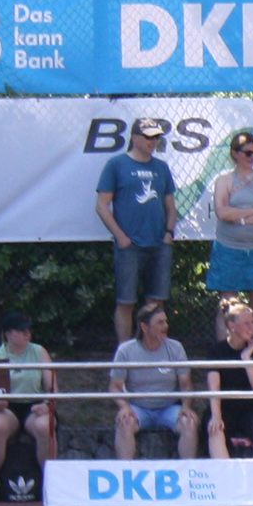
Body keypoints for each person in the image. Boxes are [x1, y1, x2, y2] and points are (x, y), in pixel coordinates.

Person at [96, 116, 180, 349]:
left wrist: (168, 233)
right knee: (126, 302)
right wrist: (121, 237)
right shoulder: (116, 164)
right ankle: (126, 353)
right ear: (134, 138)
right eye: (148, 136)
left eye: (156, 137)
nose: (153, 141)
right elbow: (102, 206)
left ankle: (154, 348)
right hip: (129, 246)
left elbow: (171, 206)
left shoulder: (161, 167)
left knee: (156, 302)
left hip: (159, 244)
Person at [203, 129, 253, 344]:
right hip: (229, 249)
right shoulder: (224, 181)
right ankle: (225, 356)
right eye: (247, 153)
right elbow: (222, 212)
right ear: (235, 153)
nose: (252, 157)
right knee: (228, 305)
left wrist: (241, 217)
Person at [0, 313, 56, 501]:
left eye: (27, 330)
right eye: (21, 330)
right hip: (7, 407)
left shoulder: (39, 352)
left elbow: (52, 388)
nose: (27, 334)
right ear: (8, 334)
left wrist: (46, 404)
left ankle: (51, 484)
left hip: (35, 404)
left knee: (44, 427)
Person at [108, 300, 198, 461]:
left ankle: (189, 473)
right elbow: (115, 387)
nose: (166, 326)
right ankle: (125, 473)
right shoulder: (126, 350)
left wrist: (186, 406)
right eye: (160, 323)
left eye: (166, 322)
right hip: (139, 408)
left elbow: (186, 384)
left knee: (189, 423)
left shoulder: (176, 348)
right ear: (144, 327)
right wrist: (124, 407)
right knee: (124, 423)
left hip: (169, 408)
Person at [200, 298, 253, 461]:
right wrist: (216, 416)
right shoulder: (216, 351)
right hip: (224, 408)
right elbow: (213, 387)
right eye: (246, 323)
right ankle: (223, 476)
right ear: (232, 326)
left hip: (250, 408)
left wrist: (247, 359)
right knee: (215, 428)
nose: (252, 327)